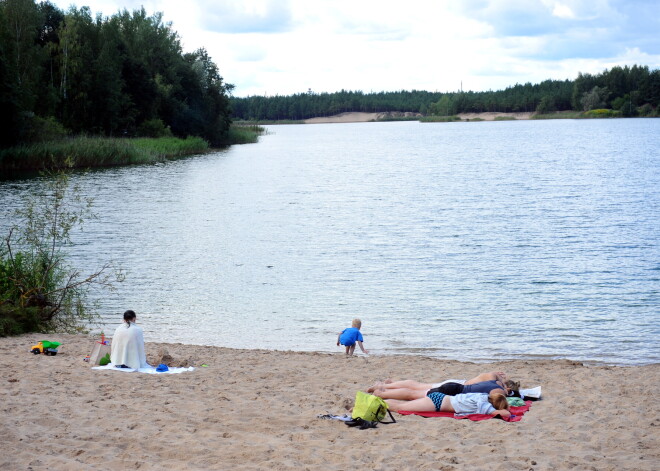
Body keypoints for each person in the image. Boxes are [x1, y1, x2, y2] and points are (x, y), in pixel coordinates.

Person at [367, 371, 519, 401]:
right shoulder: (498, 388)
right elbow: (496, 399)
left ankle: (385, 388)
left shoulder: (494, 378)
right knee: (415, 391)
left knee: (417, 388)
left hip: (457, 384)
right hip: (456, 388)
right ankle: (383, 390)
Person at [385, 389, 511, 418]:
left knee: (402, 405)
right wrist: (506, 410)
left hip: (441, 398)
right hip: (438, 403)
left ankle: (379, 402)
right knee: (400, 407)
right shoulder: (484, 405)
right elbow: (505, 414)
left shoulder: (482, 396)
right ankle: (375, 403)